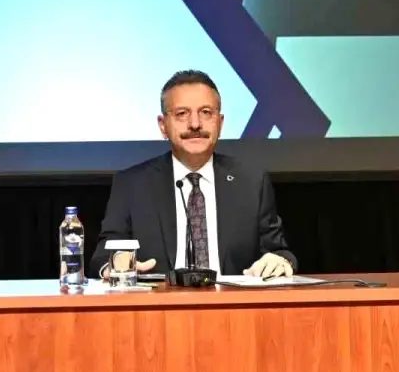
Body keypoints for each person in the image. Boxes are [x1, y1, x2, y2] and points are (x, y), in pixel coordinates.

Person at [90, 70, 296, 279]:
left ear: (220, 123)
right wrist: (120, 265)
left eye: (206, 112)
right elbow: (104, 255)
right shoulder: (132, 184)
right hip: (160, 298)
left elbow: (278, 251)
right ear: (163, 125)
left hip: (231, 298)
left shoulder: (251, 181)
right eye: (182, 114)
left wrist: (279, 261)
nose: (195, 124)